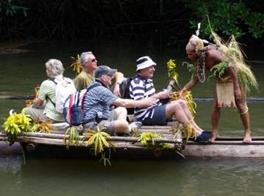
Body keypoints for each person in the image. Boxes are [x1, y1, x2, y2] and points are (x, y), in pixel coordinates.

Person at [182, 34, 258, 143]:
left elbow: (231, 65)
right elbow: (195, 79)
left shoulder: (212, 54)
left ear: (196, 52)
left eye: (189, 54)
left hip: (234, 77)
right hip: (220, 79)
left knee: (240, 104)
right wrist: (183, 91)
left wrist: (236, 88)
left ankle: (247, 132)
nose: (188, 57)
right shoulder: (199, 59)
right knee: (216, 105)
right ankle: (214, 132)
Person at [129, 56, 211, 142]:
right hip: (145, 115)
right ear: (142, 69)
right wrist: (158, 96)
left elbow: (151, 98)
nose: (153, 69)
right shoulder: (137, 83)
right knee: (176, 106)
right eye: (150, 67)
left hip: (153, 109)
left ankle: (197, 129)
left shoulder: (148, 80)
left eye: (153, 67)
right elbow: (139, 103)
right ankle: (192, 133)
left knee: (181, 102)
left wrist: (165, 96)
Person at [82, 65, 157, 135]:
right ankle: (129, 129)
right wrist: (142, 102)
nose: (112, 77)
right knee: (123, 124)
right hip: (93, 125)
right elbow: (123, 102)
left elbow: (119, 74)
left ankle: (120, 130)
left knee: (121, 110)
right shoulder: (100, 89)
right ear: (103, 77)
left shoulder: (96, 85)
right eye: (110, 75)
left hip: (101, 118)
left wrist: (117, 84)